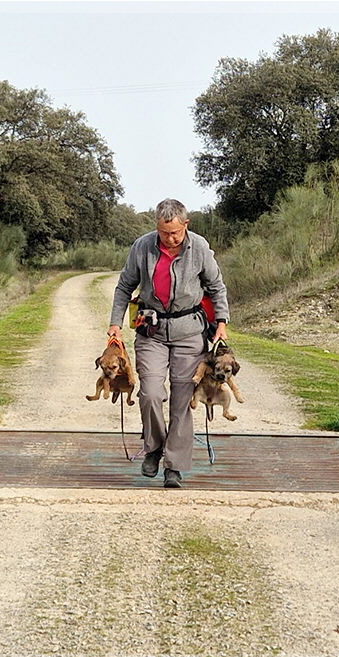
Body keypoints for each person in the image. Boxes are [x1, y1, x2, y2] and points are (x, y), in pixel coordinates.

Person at [107, 198, 230, 488]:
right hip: (152, 331)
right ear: (156, 226)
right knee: (150, 393)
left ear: (185, 225)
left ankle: (174, 466)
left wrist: (222, 322)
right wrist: (115, 324)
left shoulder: (199, 247)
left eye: (175, 233)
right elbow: (124, 286)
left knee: (182, 399)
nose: (170, 238)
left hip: (189, 332)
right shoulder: (142, 246)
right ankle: (154, 448)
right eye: (164, 233)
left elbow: (216, 286)